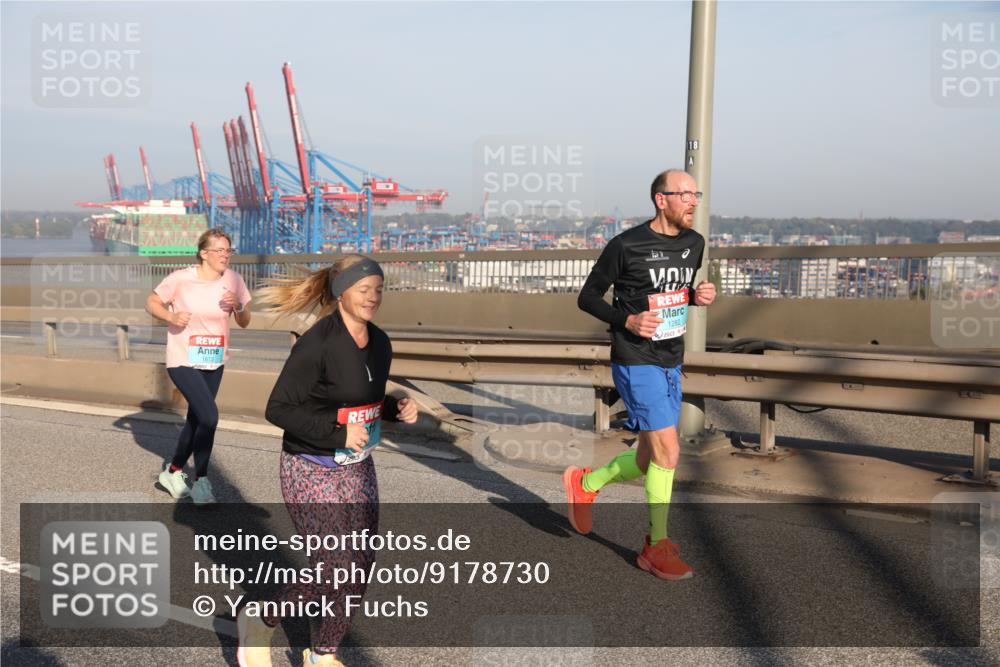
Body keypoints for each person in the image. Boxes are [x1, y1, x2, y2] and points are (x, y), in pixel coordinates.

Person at [236, 255, 418, 667]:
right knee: (335, 569)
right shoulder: (316, 343)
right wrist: (337, 434)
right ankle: (262, 618)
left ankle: (323, 653)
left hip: (358, 466)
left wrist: (393, 408)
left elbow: (359, 401)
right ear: (341, 293)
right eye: (363, 288)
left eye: (378, 288)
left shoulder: (381, 343)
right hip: (309, 466)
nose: (373, 297)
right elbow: (278, 409)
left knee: (361, 565)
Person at [564, 169, 716, 580]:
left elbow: (671, 293)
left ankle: (587, 483)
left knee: (651, 457)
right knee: (669, 451)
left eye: (695, 193)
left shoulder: (694, 244)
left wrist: (694, 297)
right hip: (635, 359)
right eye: (684, 193)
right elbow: (587, 297)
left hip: (671, 358)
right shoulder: (626, 245)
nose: (693, 201)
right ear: (660, 199)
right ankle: (655, 546)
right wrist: (625, 322)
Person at [146, 228, 251, 504]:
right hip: (183, 359)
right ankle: (202, 480)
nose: (225, 256)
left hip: (214, 359)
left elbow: (244, 320)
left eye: (228, 250)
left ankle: (174, 471)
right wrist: (171, 315)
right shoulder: (181, 279)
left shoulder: (234, 280)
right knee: (210, 417)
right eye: (219, 250)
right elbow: (152, 301)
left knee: (197, 419)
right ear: (204, 253)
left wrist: (239, 306)